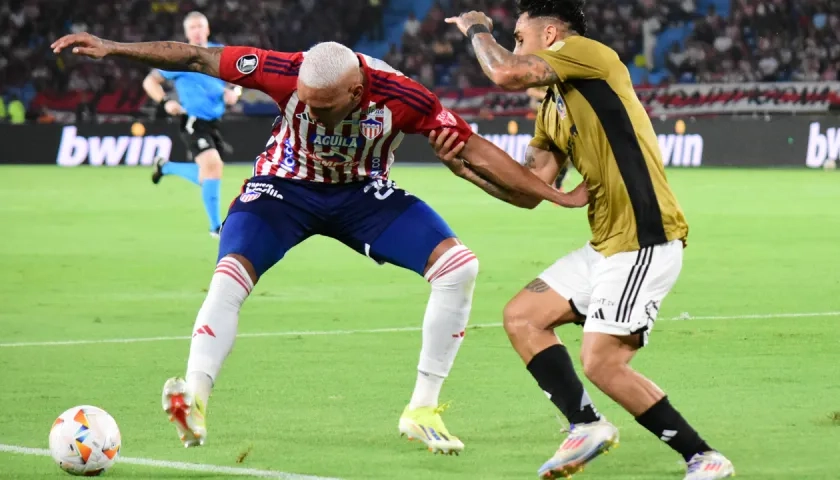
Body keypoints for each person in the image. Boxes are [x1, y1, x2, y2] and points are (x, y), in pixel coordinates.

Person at [52, 32, 587, 456]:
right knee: (229, 274)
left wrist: (553, 196)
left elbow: (474, 148)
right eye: (303, 103)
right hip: (282, 188)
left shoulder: (403, 96)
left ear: (357, 92)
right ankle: (194, 395)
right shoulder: (283, 70)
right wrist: (113, 48)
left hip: (361, 194)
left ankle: (422, 410)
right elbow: (194, 56)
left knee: (459, 267)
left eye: (324, 107)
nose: (310, 111)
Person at [436, 1, 735, 479]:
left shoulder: (589, 54)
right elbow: (531, 190)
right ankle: (586, 425)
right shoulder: (553, 107)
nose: (515, 46)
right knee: (523, 317)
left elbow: (505, 73)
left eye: (519, 36)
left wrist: (476, 29)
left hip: (644, 237)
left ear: (551, 34)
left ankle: (703, 456)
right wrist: (465, 169)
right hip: (605, 246)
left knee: (602, 362)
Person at [142, 11, 241, 237]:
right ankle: (216, 227)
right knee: (213, 166)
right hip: (192, 121)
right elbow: (150, 81)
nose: (197, 31)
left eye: (200, 26)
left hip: (215, 122)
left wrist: (234, 92)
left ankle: (165, 167)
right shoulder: (180, 57)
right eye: (192, 27)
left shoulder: (220, 53)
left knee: (208, 175)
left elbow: (239, 81)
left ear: (207, 30)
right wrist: (166, 102)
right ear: (187, 33)